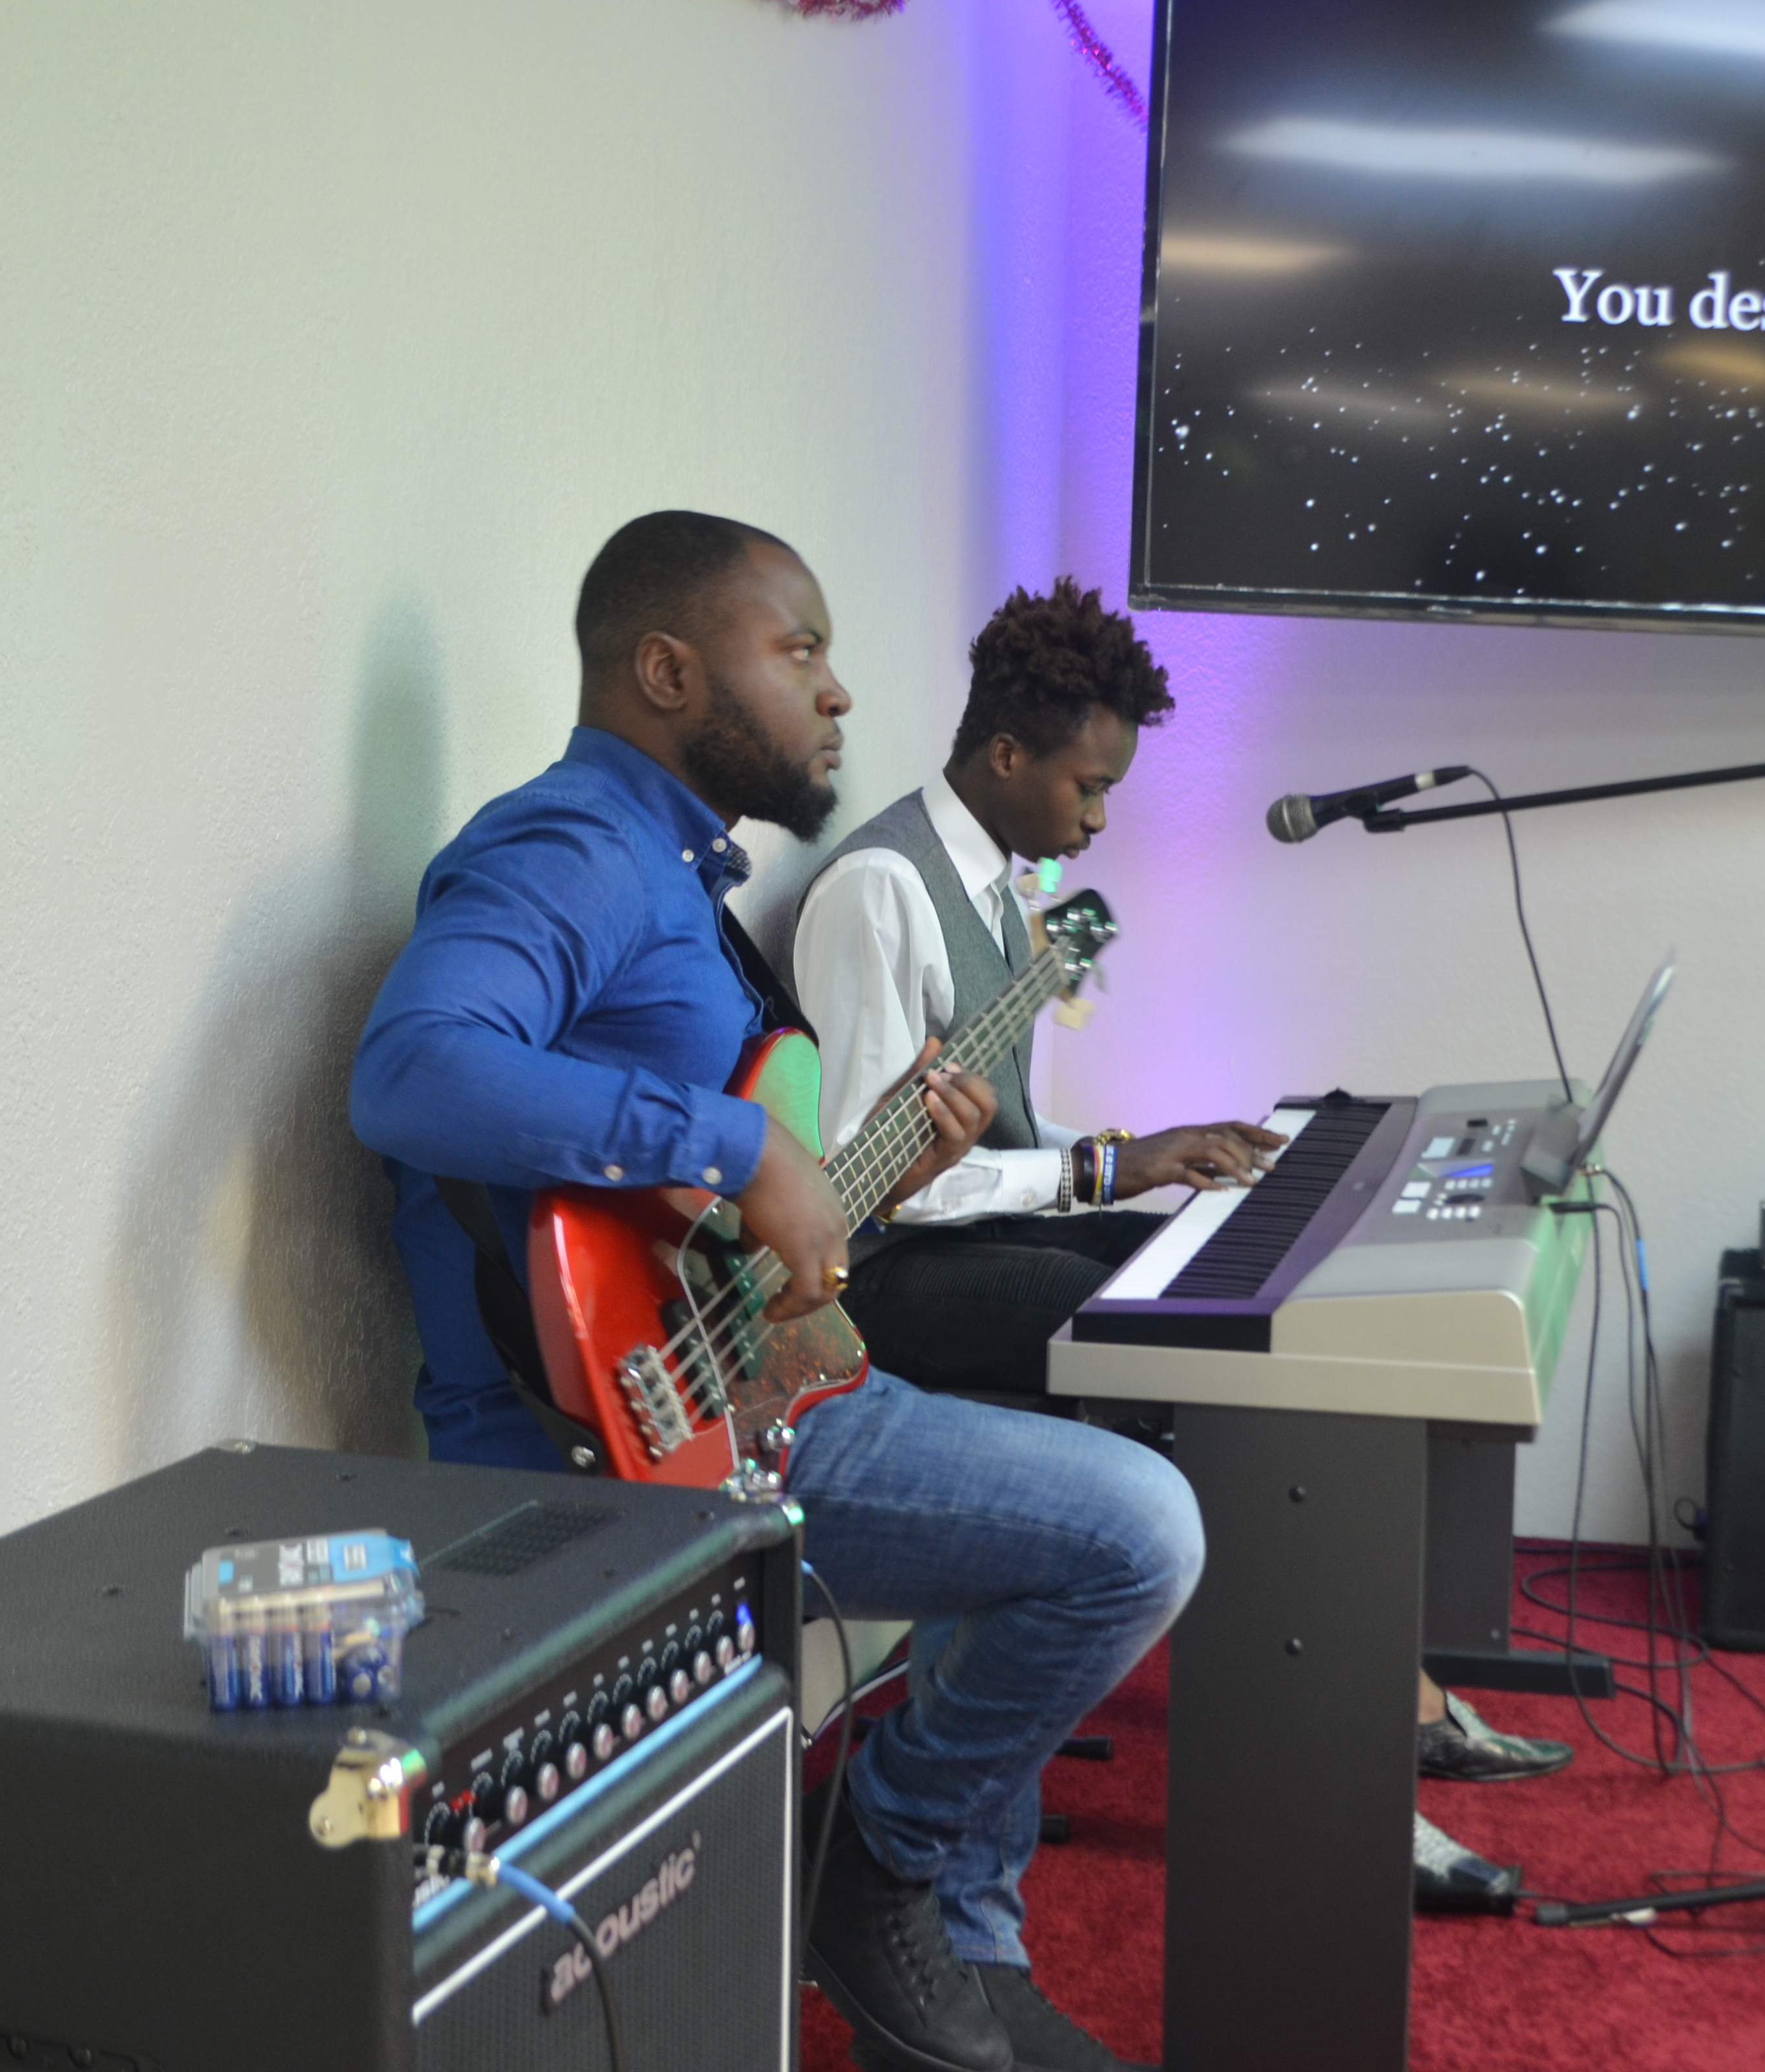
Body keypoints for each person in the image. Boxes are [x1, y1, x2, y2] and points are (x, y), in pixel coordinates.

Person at [352, 511, 1197, 2072]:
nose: (838, 694)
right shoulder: (573, 848)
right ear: (668, 669)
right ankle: (881, 1863)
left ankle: (936, 1917)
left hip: (757, 1381)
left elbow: (726, 1212)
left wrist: (854, 1162)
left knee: (1104, 1514)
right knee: (1137, 1531)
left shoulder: (677, 880)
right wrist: (738, 1140)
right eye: (797, 650)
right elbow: (411, 1073)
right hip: (628, 1436)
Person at [790, 579, 1573, 1917]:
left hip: (975, 1239)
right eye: (1087, 789)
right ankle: (1359, 1770)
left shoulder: (998, 884)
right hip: (899, 1285)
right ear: (1005, 756)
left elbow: (1001, 1133)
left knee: (1240, 1294)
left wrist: (1127, 1152)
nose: (1097, 820)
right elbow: (874, 1190)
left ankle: (1388, 1716)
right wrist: (1104, 1167)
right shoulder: (879, 893)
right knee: (1227, 1373)